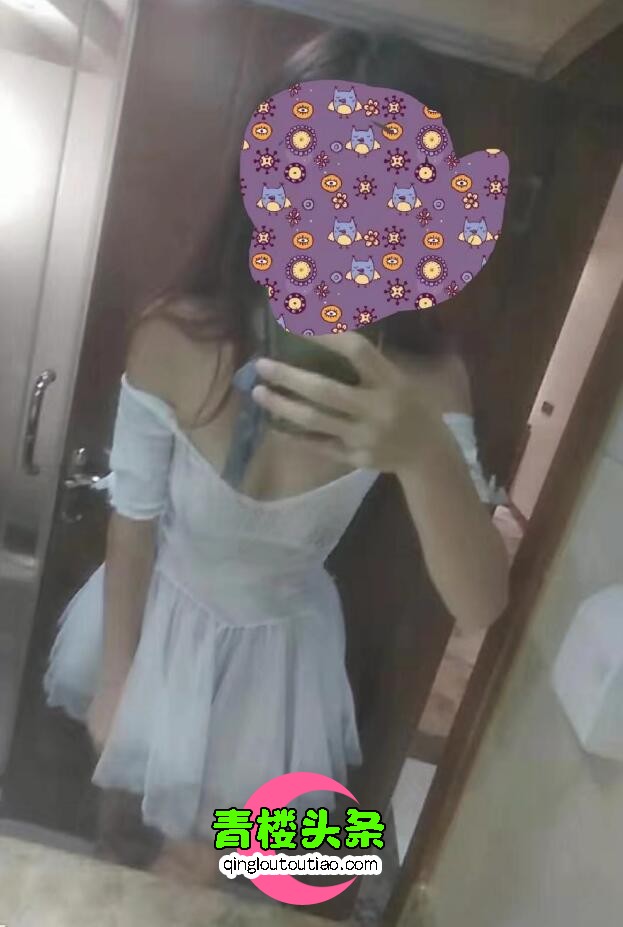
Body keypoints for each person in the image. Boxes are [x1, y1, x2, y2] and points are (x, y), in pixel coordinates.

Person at [44, 26, 509, 885]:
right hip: (155, 624)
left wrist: (422, 453)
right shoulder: (174, 336)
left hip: (281, 665)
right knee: (128, 855)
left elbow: (480, 603)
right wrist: (116, 679)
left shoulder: (425, 379)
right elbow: (133, 521)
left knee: (259, 868)